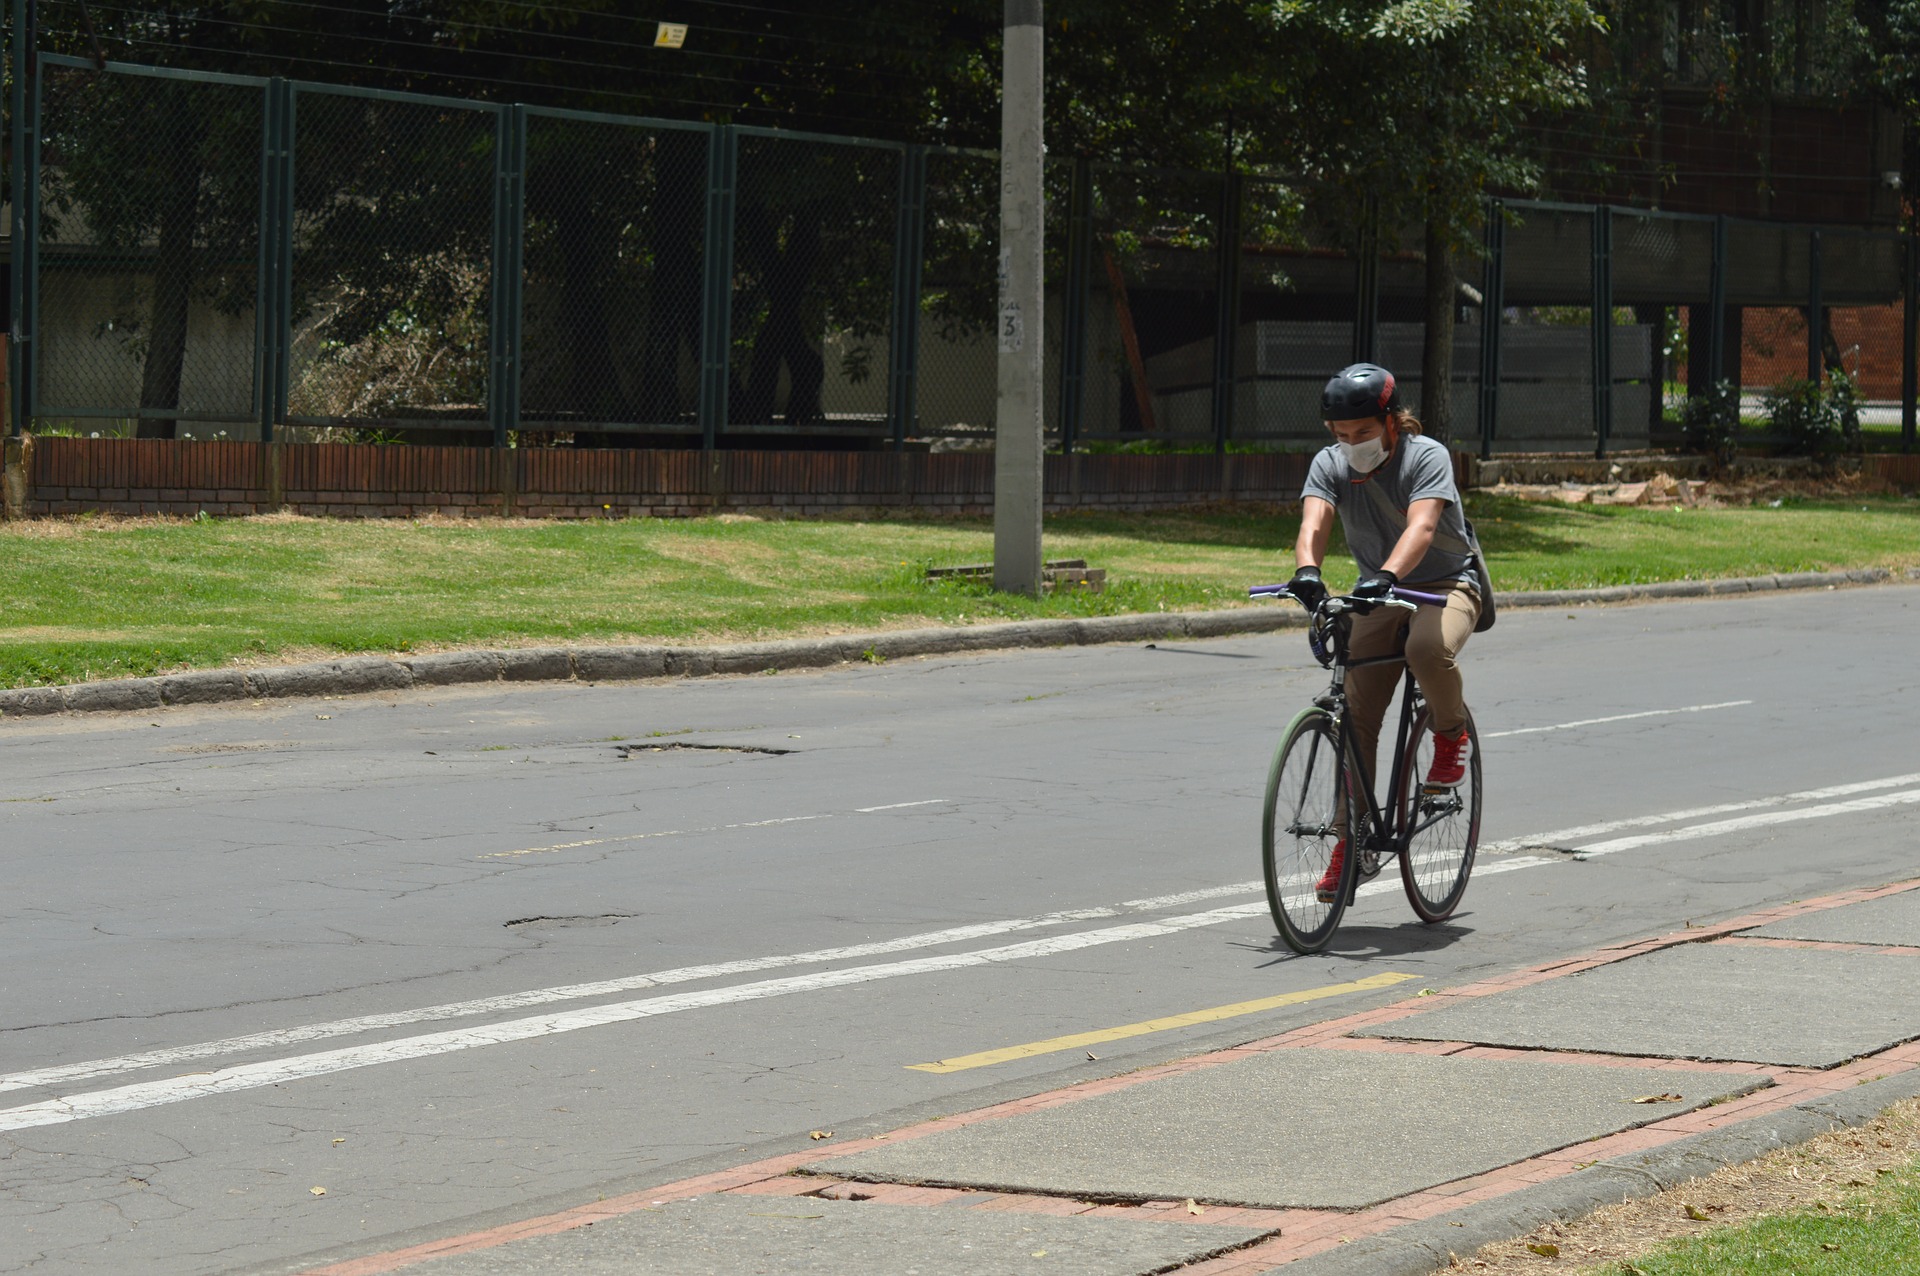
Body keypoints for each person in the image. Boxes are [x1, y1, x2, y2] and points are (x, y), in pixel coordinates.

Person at [1286, 362, 1482, 903]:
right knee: (1356, 713)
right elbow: (1315, 522)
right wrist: (1308, 571)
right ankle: (1352, 845)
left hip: (1444, 584)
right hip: (1378, 590)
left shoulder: (1427, 456)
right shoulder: (1330, 465)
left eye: (1364, 434)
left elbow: (1422, 525)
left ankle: (1450, 735)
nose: (1353, 445)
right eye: (1342, 436)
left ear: (1392, 421)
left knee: (1426, 646)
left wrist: (1390, 575)